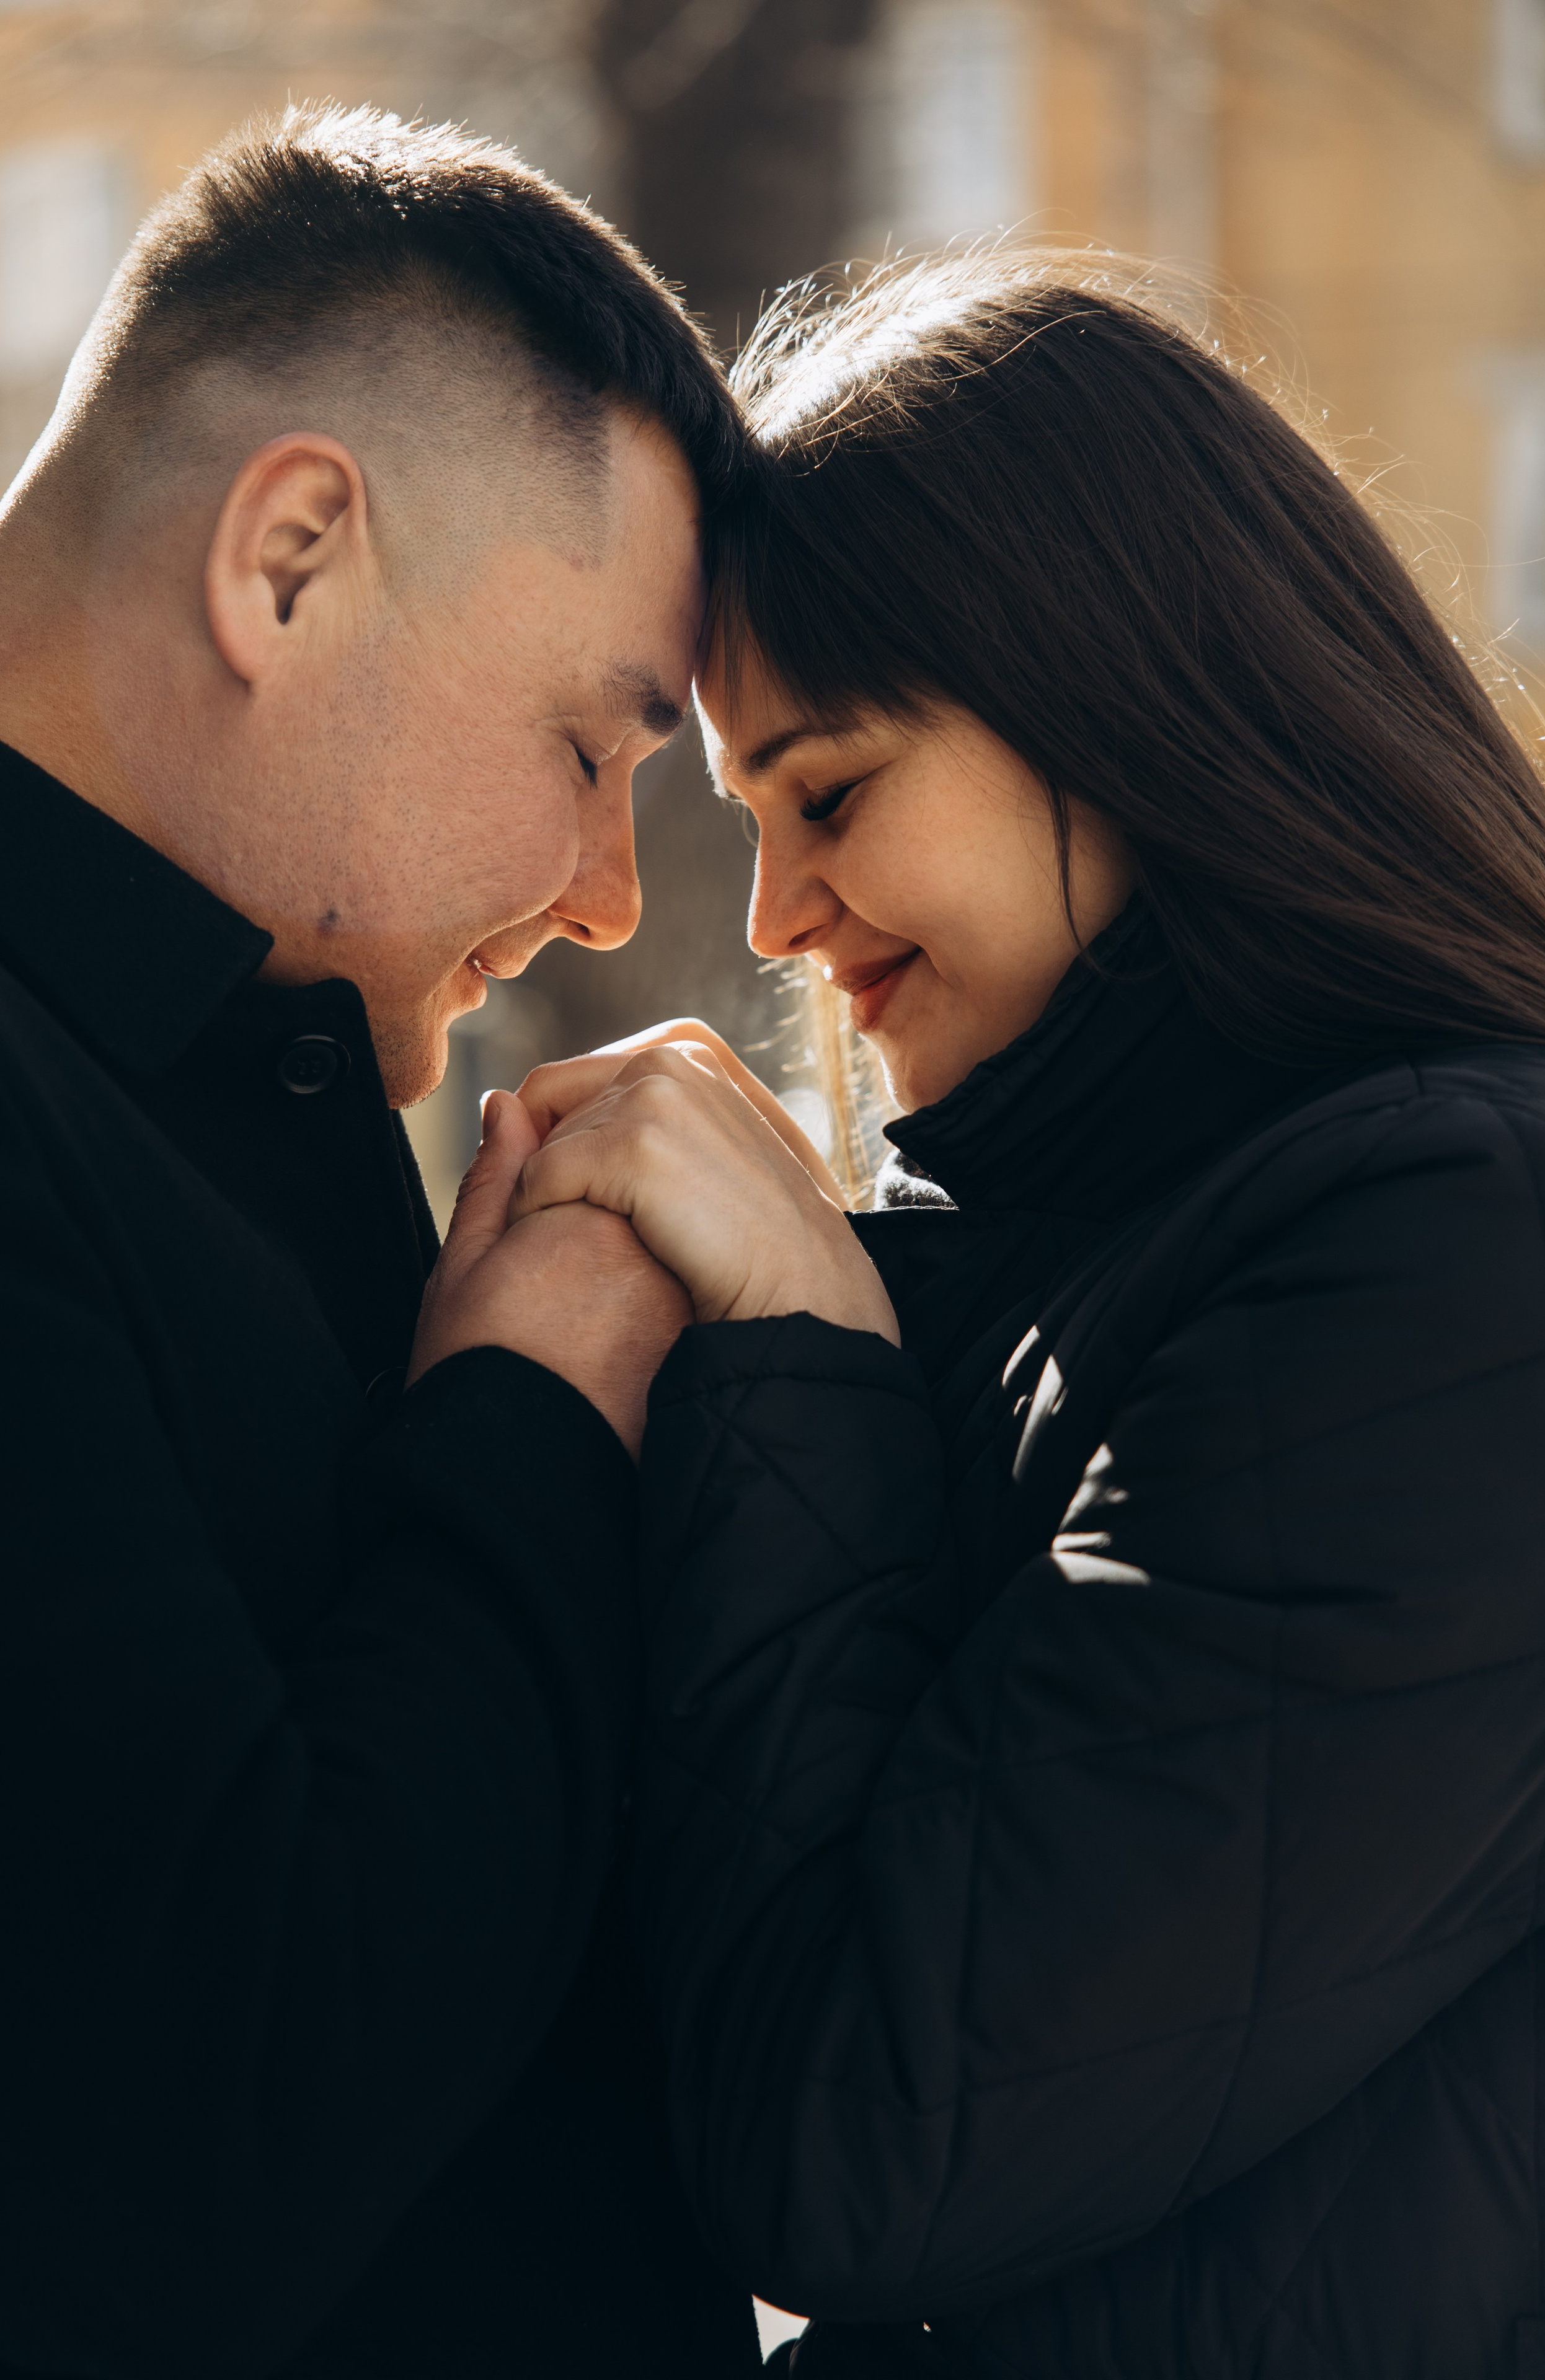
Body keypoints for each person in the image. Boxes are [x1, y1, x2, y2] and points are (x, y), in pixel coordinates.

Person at [508, 257, 1545, 2376]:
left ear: (1120, 698)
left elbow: (862, 2134)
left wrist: (803, 1371)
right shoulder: (1119, 1245)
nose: (775, 921)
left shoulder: (1479, 1248)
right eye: (747, 821)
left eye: (831, 794)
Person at [0, 102, 761, 2379]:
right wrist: (534, 1399)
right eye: (591, 738)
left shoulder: (211, 1071)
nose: (617, 896)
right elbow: (199, 2126)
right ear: (298, 556)